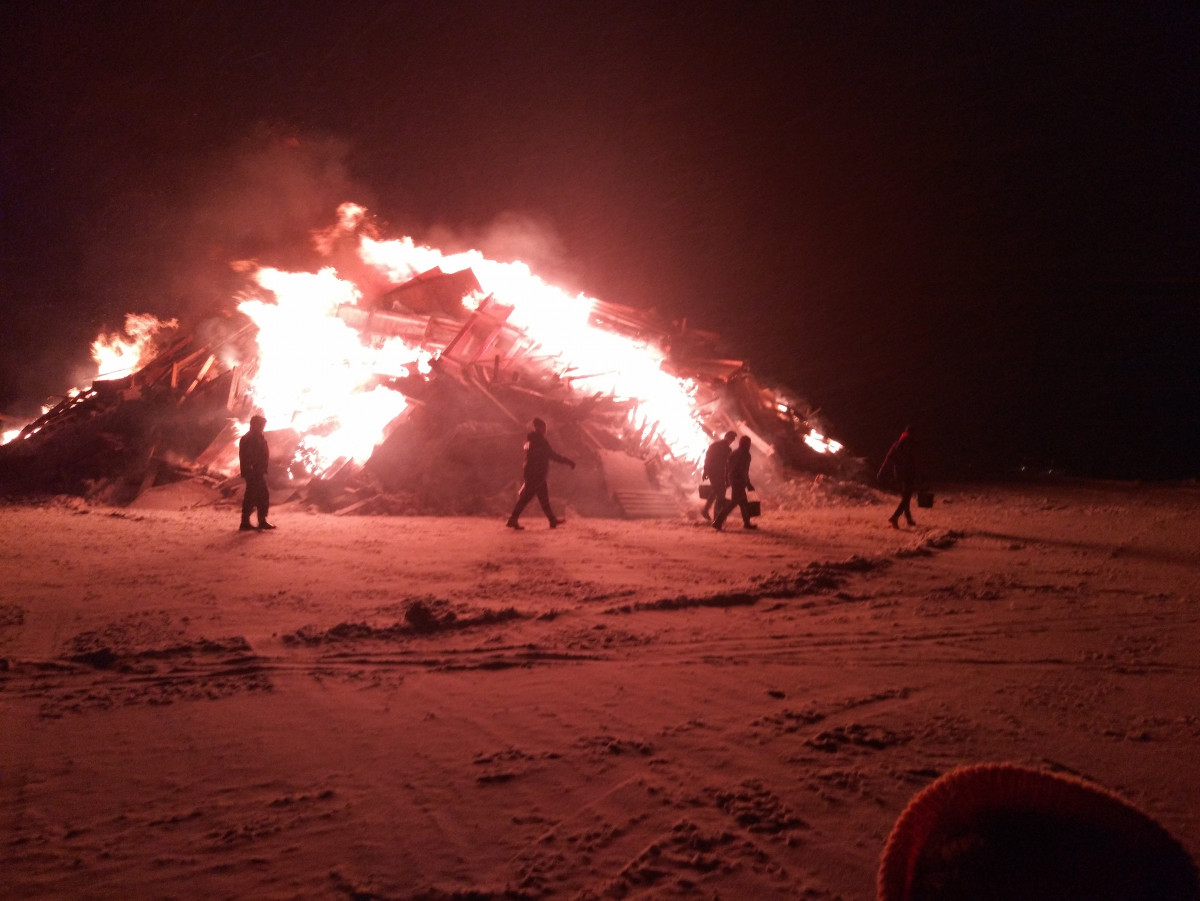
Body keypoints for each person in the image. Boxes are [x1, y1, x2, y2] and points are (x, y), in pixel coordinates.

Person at [506, 417, 575, 530]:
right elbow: (553, 455)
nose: (545, 429)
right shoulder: (540, 441)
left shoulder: (529, 440)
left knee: (543, 499)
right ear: (540, 428)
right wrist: (568, 462)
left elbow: (526, 453)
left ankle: (552, 520)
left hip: (534, 474)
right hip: (536, 475)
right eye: (544, 427)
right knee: (526, 498)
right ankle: (512, 520)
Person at [238, 414, 275, 531]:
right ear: (254, 424)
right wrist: (252, 469)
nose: (263, 427)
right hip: (253, 472)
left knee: (260, 496)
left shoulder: (258, 437)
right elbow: (248, 457)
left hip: (257, 471)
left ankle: (259, 521)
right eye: (261, 425)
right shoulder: (249, 438)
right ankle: (247, 522)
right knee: (253, 496)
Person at [712, 435, 756, 531]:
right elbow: (739, 471)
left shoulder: (737, 453)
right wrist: (745, 483)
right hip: (737, 482)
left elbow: (729, 469)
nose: (749, 445)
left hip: (736, 481)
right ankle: (718, 522)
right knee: (733, 503)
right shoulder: (743, 454)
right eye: (748, 443)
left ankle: (746, 523)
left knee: (743, 502)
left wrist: (729, 480)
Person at [879, 426, 918, 528]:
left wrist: (882, 470)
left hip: (899, 473)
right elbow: (915, 461)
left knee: (906, 496)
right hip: (909, 473)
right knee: (907, 497)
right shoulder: (912, 443)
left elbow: (889, 457)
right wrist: (920, 474)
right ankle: (895, 517)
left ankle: (908, 518)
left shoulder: (897, 444)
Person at [701, 430, 737, 521]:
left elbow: (707, 459)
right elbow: (709, 459)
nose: (731, 441)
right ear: (727, 437)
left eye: (732, 439)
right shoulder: (725, 449)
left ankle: (706, 510)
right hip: (716, 472)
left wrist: (705, 471)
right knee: (720, 493)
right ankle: (716, 518)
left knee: (716, 490)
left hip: (716, 472)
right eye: (731, 439)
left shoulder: (715, 446)